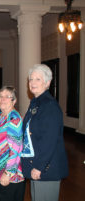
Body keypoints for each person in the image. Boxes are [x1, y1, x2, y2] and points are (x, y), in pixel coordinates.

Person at [21, 64, 68, 201]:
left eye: (38, 79)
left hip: (46, 168)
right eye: (31, 79)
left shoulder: (49, 106)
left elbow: (50, 140)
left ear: (47, 83)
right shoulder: (36, 103)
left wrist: (39, 166)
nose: (33, 83)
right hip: (37, 165)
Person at [0, 86, 25, 201]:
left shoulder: (14, 119)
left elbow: (16, 149)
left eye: (7, 97)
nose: (2, 99)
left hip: (9, 175)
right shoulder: (0, 115)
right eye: (0, 96)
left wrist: (8, 173)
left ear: (14, 101)